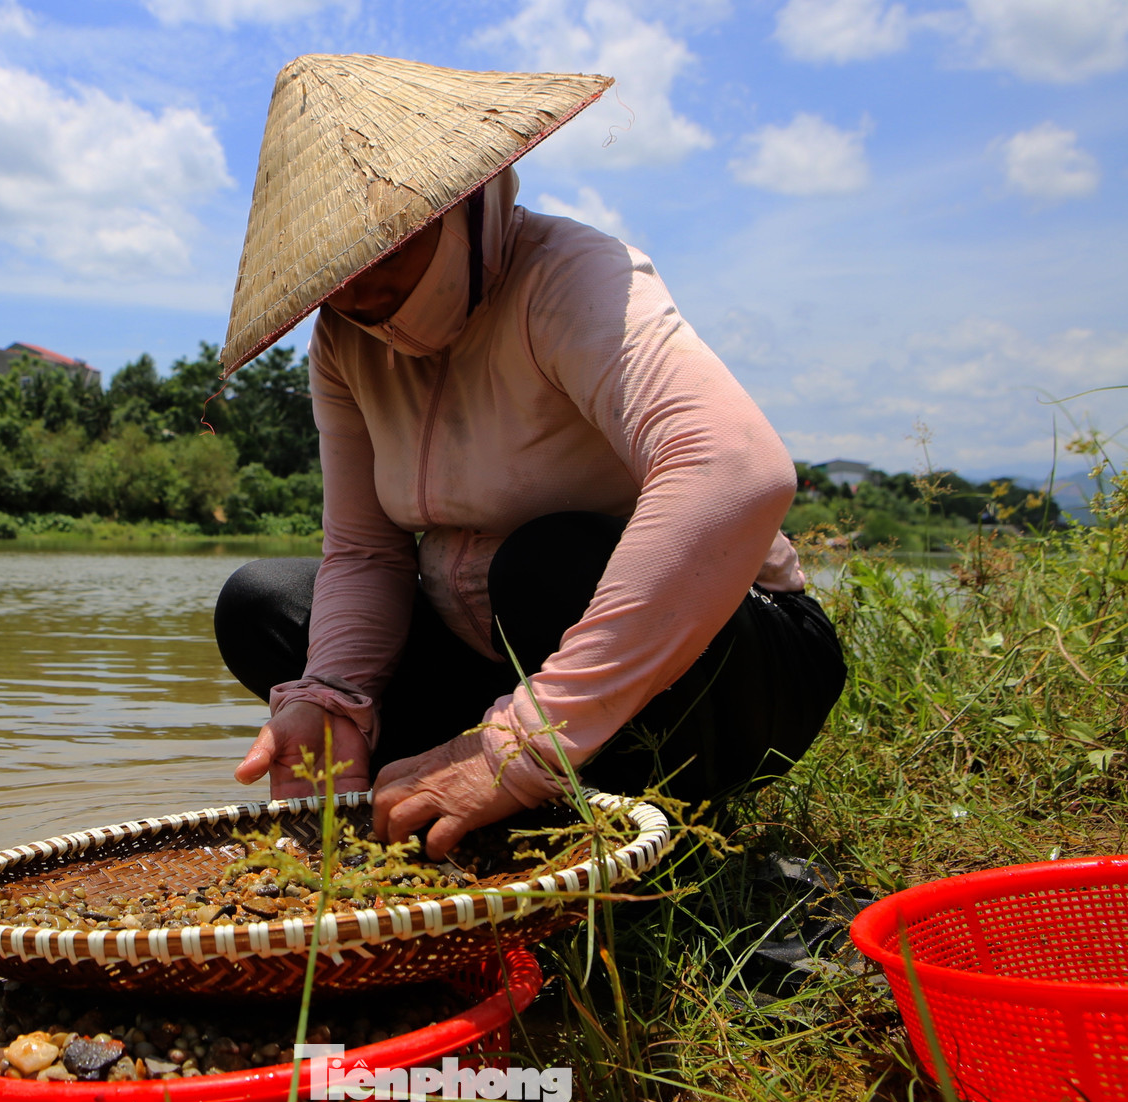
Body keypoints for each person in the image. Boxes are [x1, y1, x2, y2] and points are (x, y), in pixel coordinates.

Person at [213, 55, 846, 858]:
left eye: (390, 248)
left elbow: (737, 471)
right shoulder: (344, 342)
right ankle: (463, 795)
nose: (364, 294)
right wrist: (333, 697)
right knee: (264, 604)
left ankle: (643, 816)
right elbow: (368, 552)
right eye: (338, 269)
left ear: (466, 207)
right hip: (508, 664)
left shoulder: (569, 277)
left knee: (544, 563)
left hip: (732, 660)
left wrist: (522, 747)